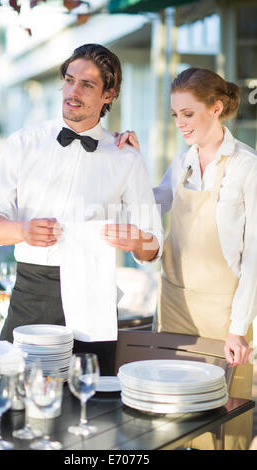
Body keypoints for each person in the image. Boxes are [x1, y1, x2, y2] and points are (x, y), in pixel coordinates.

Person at [0, 44, 163, 376]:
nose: (73, 92)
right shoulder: (23, 143)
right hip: (32, 294)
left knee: (88, 410)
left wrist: (137, 242)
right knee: (12, 401)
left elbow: (153, 247)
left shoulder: (126, 157)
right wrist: (22, 230)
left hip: (94, 298)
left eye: (87, 85)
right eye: (69, 80)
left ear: (110, 94)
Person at [114, 67, 257, 449]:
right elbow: (152, 200)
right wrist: (133, 162)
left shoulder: (247, 166)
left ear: (216, 107)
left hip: (223, 317)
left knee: (223, 427)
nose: (180, 123)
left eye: (188, 114)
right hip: (174, 306)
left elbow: (255, 258)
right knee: (168, 421)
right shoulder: (183, 162)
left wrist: (238, 328)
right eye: (175, 115)